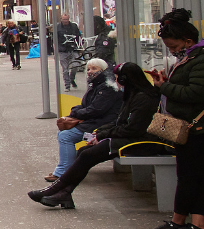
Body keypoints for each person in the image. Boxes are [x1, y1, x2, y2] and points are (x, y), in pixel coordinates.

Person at [29, 63, 174, 209]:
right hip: (133, 137)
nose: (116, 82)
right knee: (84, 151)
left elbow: (132, 128)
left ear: (125, 80)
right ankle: (64, 192)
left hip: (143, 141)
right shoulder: (133, 94)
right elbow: (121, 122)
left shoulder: (143, 98)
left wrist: (103, 135)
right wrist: (100, 133)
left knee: (89, 153)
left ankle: (56, 190)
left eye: (118, 79)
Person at [149, 9, 204, 229]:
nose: (173, 52)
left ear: (188, 40)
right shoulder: (193, 57)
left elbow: (197, 93)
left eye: (174, 47)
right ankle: (198, 222)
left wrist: (165, 86)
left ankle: (178, 222)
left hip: (202, 127)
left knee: (187, 175)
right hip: (199, 126)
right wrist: (166, 83)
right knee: (196, 175)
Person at [47, 58, 122, 182]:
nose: (89, 71)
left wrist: (76, 113)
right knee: (63, 134)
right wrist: (75, 111)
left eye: (94, 69)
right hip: (96, 122)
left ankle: (64, 173)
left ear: (103, 70)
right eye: (88, 69)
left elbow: (96, 110)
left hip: (102, 125)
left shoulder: (106, 88)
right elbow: (86, 105)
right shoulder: (97, 85)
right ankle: (66, 170)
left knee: (66, 136)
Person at [56, 14, 82, 90]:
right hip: (63, 50)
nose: (66, 21)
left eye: (67, 19)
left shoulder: (74, 26)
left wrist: (80, 47)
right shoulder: (58, 27)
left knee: (75, 65)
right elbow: (55, 39)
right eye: (64, 19)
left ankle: (71, 79)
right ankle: (67, 85)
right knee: (65, 69)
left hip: (73, 49)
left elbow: (79, 37)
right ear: (61, 19)